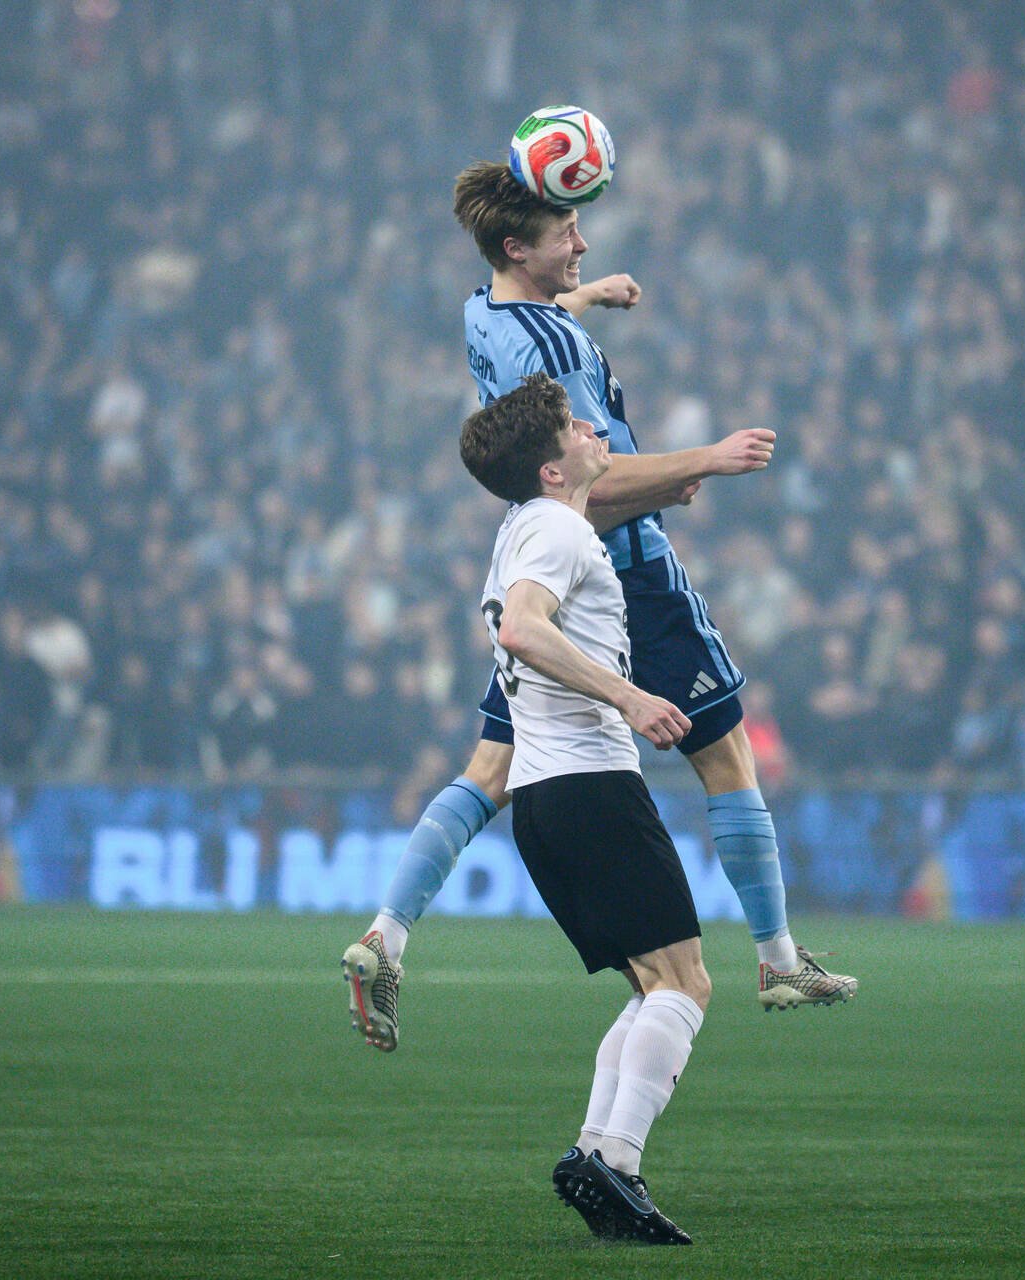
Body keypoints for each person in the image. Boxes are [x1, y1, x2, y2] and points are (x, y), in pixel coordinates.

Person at [342, 156, 854, 1051]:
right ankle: (776, 959)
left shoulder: (486, 309)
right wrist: (706, 458)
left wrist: (590, 292)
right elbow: (603, 476)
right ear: (517, 246)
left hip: (534, 555)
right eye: (565, 236)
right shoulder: (554, 353)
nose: (581, 242)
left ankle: (386, 934)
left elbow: (536, 325)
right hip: (618, 571)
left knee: (491, 770)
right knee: (726, 755)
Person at [400, 373, 702, 1241]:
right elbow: (523, 630)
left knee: (653, 987)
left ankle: (603, 1161)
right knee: (685, 982)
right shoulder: (554, 530)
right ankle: (614, 1162)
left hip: (546, 795)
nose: (594, 430)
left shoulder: (526, 527)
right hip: (587, 786)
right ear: (551, 470)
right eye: (577, 427)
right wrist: (631, 698)